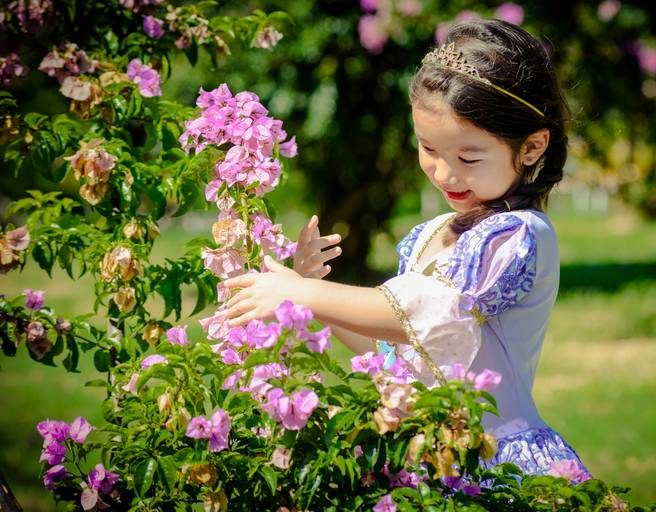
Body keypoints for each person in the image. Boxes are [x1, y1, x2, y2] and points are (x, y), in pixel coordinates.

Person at [222, 18, 592, 484]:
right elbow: (399, 347)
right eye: (428, 148)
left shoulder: (517, 236)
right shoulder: (432, 233)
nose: (444, 173)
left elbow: (418, 314)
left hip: (495, 458)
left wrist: (304, 293)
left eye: (468, 158)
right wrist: (310, 296)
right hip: (430, 458)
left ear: (532, 147)